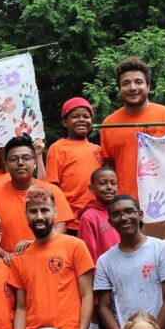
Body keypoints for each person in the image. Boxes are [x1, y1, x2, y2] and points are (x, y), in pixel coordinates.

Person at [9, 186, 95, 329]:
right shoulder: (20, 257)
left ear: (55, 213)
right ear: (26, 215)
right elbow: (21, 306)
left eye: (45, 210)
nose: (39, 216)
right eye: (33, 211)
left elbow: (87, 295)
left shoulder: (75, 246)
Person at [94, 195, 165, 329]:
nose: (124, 218)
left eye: (129, 211)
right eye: (117, 214)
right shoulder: (105, 260)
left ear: (140, 215)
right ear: (110, 221)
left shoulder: (161, 248)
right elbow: (103, 306)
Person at [100, 57, 165, 237]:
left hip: (164, 206)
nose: (133, 87)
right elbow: (109, 168)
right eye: (126, 83)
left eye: (138, 82)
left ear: (148, 86)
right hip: (126, 210)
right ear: (120, 88)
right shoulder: (109, 124)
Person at [0, 135, 73, 255]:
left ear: (35, 163)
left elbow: (60, 228)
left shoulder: (52, 191)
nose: (20, 163)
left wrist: (35, 247)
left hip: (47, 256)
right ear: (7, 164)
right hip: (10, 263)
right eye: (14, 159)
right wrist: (7, 256)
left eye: (26, 158)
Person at [46, 97, 103, 234]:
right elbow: (52, 188)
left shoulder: (98, 150)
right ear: (65, 122)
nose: (82, 120)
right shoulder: (57, 148)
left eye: (86, 116)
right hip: (71, 222)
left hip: (98, 219)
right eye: (75, 116)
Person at [77, 166, 120, 263]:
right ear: (91, 188)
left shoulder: (121, 212)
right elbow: (88, 254)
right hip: (104, 274)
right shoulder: (88, 217)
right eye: (102, 183)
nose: (109, 187)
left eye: (113, 183)